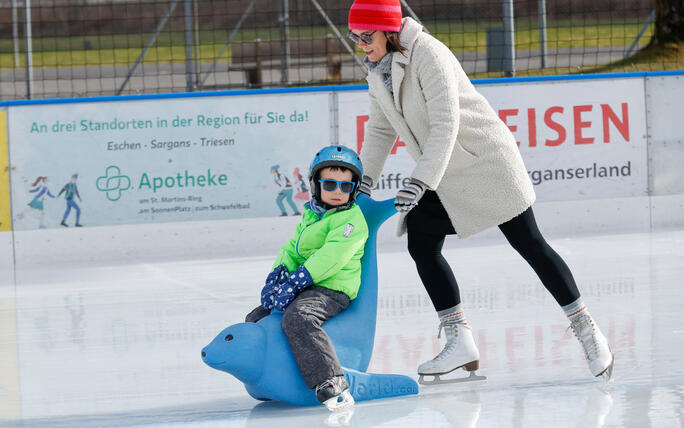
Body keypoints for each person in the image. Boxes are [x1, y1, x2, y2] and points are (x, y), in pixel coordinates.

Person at [347, 0, 614, 381]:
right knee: (421, 243)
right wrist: (363, 184)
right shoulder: (377, 71)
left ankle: (589, 332)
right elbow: (378, 130)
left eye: (366, 35)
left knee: (531, 245)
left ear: (389, 30)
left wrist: (420, 179)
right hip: (443, 171)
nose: (360, 44)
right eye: (354, 36)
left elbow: (446, 123)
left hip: (485, 163)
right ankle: (460, 340)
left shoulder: (429, 53)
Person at [246, 145, 369, 410]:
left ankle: (331, 380)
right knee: (257, 317)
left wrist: (298, 280)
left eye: (345, 187)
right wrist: (276, 277)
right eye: (330, 184)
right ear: (316, 185)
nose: (338, 191)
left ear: (354, 189)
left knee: (299, 317)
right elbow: (292, 249)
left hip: (332, 289)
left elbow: (332, 257)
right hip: (306, 284)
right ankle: (269, 378)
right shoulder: (313, 215)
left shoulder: (350, 221)